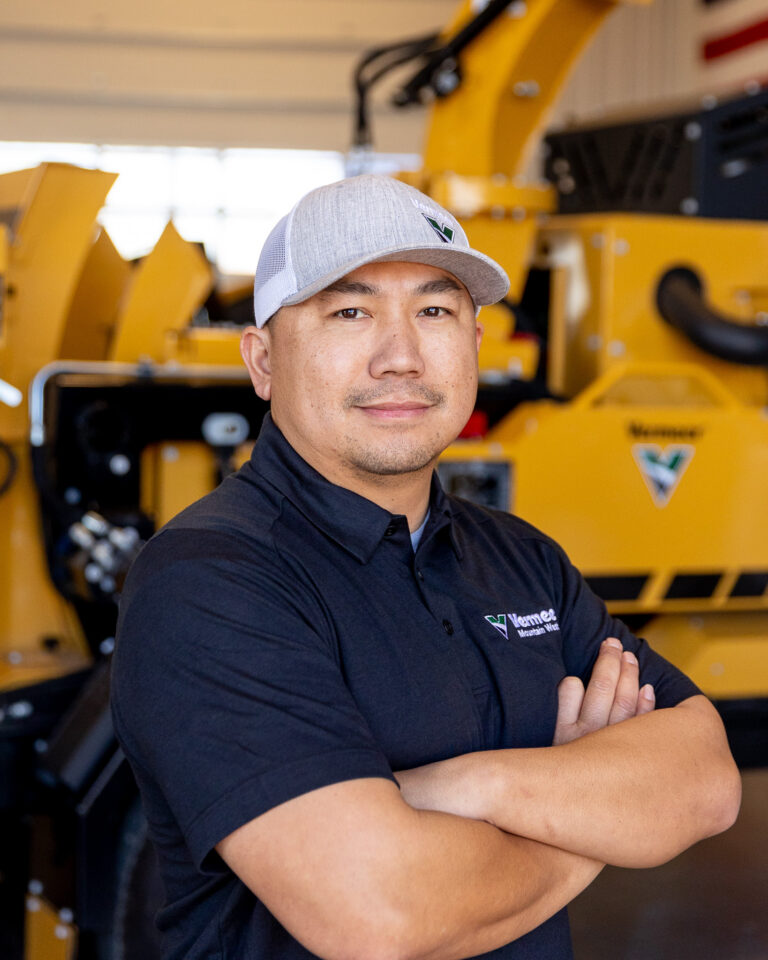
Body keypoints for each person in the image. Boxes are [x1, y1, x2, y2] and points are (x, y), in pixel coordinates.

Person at [111, 174, 741, 960]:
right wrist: (591, 806)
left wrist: (475, 786)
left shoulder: (522, 559)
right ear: (262, 359)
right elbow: (382, 914)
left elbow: (708, 783)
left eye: (436, 310)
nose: (401, 356)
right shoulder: (208, 583)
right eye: (350, 310)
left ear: (474, 347)